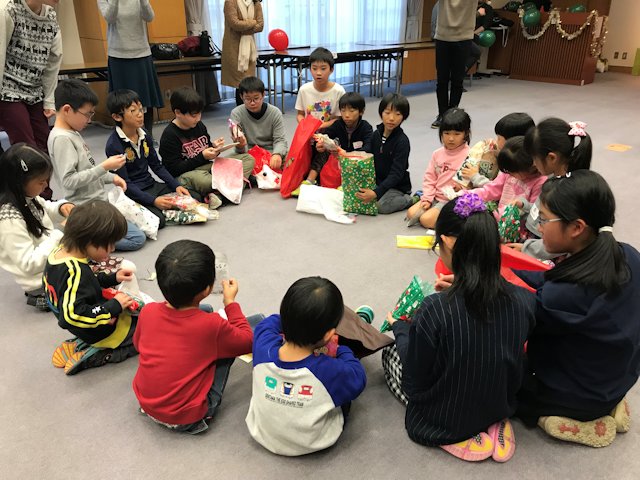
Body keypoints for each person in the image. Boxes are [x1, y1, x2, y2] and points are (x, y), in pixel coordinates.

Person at [384, 192, 535, 462]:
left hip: (442, 419)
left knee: (391, 353)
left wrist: (401, 329)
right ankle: (493, 421)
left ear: (447, 242)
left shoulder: (433, 308)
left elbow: (415, 382)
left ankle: (460, 434)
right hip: (500, 403)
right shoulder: (525, 300)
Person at [514, 171, 640, 448]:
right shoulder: (628, 254)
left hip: (580, 395)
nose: (539, 227)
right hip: (618, 378)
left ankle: (572, 418)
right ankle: (612, 404)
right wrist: (513, 272)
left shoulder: (564, 295)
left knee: (502, 379)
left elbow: (518, 318)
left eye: (544, 219)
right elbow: (551, 279)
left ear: (576, 228)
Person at [133, 240, 253, 434]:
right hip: (186, 418)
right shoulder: (212, 325)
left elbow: (139, 345)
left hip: (147, 404)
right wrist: (230, 303)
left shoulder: (148, 311)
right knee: (226, 346)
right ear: (207, 289)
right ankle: (203, 417)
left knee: (204, 313)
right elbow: (247, 341)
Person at [245, 276, 367, 456]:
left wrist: (296, 319)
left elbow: (267, 323)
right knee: (343, 387)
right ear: (329, 334)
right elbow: (358, 377)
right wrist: (342, 350)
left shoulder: (264, 345)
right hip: (313, 442)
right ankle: (361, 320)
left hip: (262, 433)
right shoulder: (329, 371)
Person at [47, 79, 145, 251]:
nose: (89, 120)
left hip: (98, 201)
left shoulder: (72, 132)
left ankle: (86, 232)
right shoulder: (62, 139)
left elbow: (87, 169)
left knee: (139, 223)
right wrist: (104, 167)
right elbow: (68, 181)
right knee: (137, 238)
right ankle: (81, 236)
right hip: (86, 206)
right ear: (67, 110)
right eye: (87, 114)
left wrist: (112, 177)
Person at [44, 200, 139, 375]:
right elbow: (70, 317)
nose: (112, 249)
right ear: (90, 241)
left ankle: (82, 342)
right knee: (146, 335)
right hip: (103, 329)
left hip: (87, 324)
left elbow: (86, 283)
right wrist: (112, 307)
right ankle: (102, 353)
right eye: (109, 244)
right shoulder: (75, 272)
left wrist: (112, 278)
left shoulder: (59, 254)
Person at [105, 89, 197, 230]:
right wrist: (153, 201)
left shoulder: (145, 135)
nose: (140, 114)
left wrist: (175, 185)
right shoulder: (114, 145)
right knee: (159, 221)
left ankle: (167, 208)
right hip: (133, 192)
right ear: (117, 117)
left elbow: (156, 166)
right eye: (133, 111)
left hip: (151, 184)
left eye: (141, 109)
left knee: (194, 196)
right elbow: (125, 183)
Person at [0, 0, 63, 200]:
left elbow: (54, 61)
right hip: (7, 90)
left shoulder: (50, 15)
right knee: (25, 145)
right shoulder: (8, 9)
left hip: (35, 90)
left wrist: (49, 100)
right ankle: (33, 200)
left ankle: (44, 198)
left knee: (44, 145)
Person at [0, 143, 73, 310]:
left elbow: (45, 208)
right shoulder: (8, 218)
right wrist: (59, 234)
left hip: (52, 263)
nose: (46, 185)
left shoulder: (27, 197)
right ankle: (43, 296)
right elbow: (28, 264)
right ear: (19, 182)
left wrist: (61, 208)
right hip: (41, 279)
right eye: (41, 182)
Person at [508, 118, 592, 259]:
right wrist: (525, 206)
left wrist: (526, 249)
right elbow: (544, 212)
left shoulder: (565, 192)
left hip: (544, 251)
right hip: (536, 241)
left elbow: (560, 242)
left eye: (535, 158)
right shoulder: (554, 180)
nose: (534, 164)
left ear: (552, 158)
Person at [159, 86, 255, 202]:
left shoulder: (198, 125)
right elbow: (173, 170)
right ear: (178, 112)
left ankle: (221, 195)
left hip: (206, 167)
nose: (198, 118)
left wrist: (214, 148)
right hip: (186, 175)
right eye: (194, 115)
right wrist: (202, 156)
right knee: (207, 181)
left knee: (248, 159)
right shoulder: (169, 135)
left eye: (200, 113)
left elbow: (206, 148)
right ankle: (234, 186)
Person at [98, 0, 163, 139]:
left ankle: (148, 136)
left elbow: (149, 17)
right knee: (121, 102)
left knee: (145, 99)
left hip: (141, 53)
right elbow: (110, 18)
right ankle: (125, 137)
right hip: (118, 55)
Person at [407, 108, 471, 228]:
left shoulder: (470, 155)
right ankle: (430, 207)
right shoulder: (437, 154)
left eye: (457, 134)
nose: (451, 138)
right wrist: (427, 199)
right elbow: (429, 178)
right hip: (435, 196)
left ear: (466, 133)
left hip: (452, 201)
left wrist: (462, 188)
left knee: (426, 220)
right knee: (411, 214)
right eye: (447, 133)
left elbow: (473, 184)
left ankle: (455, 219)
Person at [352, 93, 413, 214]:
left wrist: (376, 193)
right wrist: (350, 154)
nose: (391, 118)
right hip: (378, 181)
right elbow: (367, 150)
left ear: (404, 117)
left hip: (396, 185)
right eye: (387, 112)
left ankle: (410, 199)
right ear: (381, 113)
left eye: (397, 114)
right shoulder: (377, 134)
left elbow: (396, 174)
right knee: (357, 196)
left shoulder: (402, 141)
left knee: (381, 206)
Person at [295, 47, 346, 185]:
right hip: (308, 135)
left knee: (325, 149)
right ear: (310, 69)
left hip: (330, 134)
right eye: (314, 68)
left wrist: (320, 126)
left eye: (323, 68)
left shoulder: (338, 91)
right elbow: (300, 114)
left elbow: (339, 118)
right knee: (294, 156)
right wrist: (306, 126)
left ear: (331, 69)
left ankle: (311, 179)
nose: (318, 73)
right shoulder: (304, 90)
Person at [469, 136, 546, 220]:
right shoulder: (509, 171)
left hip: (516, 226)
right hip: (499, 219)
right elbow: (491, 189)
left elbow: (533, 211)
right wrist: (468, 196)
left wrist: (493, 215)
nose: (508, 174)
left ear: (528, 167)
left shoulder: (540, 182)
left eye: (511, 172)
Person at [431, 0, 477, 129]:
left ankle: (452, 114)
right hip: (443, 37)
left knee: (457, 80)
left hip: (464, 38)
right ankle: (442, 114)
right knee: (442, 80)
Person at [461, 112, 535, 188]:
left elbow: (498, 188)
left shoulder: (514, 167)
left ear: (512, 141)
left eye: (499, 138)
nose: (496, 141)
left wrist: (475, 177)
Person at [230, 76, 287, 171]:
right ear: (241, 96)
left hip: (271, 151)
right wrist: (240, 145)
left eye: (256, 98)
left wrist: (277, 154)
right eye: (248, 99)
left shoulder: (274, 112)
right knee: (224, 163)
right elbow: (240, 150)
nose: (252, 103)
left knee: (292, 159)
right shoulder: (236, 113)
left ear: (263, 95)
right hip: (248, 154)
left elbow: (280, 140)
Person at [221, 0, 264, 106]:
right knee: (239, 82)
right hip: (233, 47)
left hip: (250, 49)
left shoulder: (256, 2)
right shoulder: (230, 2)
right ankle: (241, 111)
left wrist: (245, 26)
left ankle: (250, 108)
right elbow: (235, 24)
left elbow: (261, 26)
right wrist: (253, 22)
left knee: (248, 81)